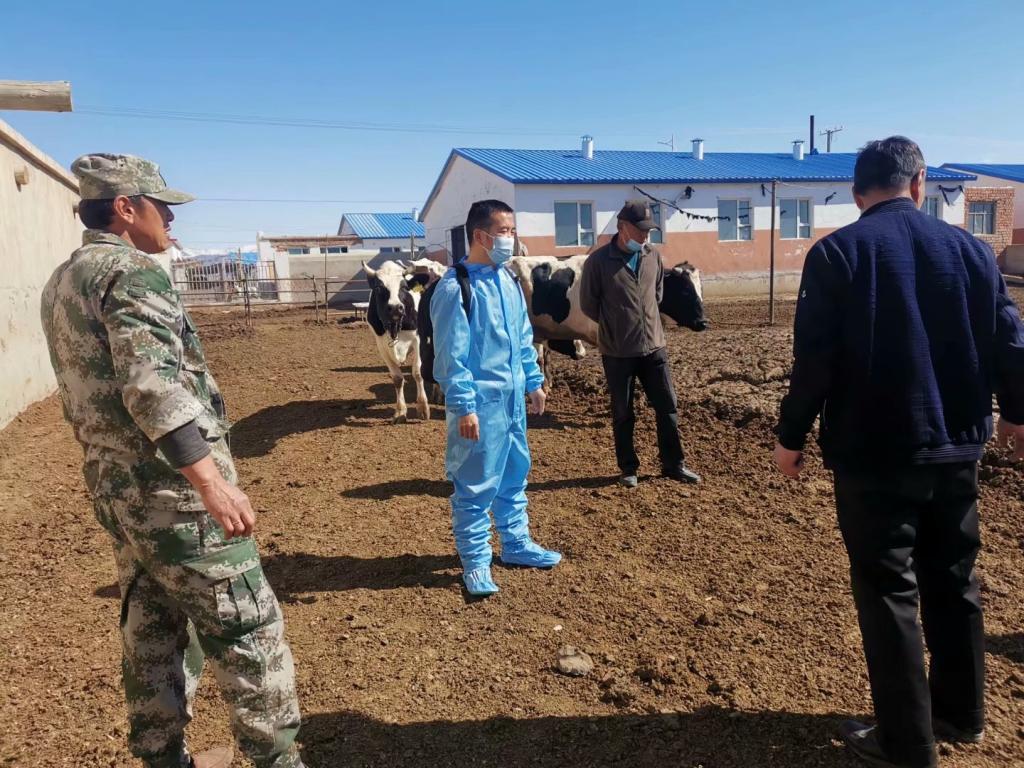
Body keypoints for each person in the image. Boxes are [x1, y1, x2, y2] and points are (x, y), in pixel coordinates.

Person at [41, 154, 308, 768]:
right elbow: (152, 388)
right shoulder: (131, 273)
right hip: (174, 496)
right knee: (248, 628)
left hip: (116, 491)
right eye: (161, 207)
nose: (170, 219)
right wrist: (210, 481)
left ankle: (161, 757)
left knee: (151, 631)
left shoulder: (64, 278)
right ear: (125, 208)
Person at [773, 136, 1024, 768]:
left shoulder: (838, 253)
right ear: (918, 184)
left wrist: (792, 436)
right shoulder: (972, 250)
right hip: (956, 447)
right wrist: (1018, 411)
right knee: (956, 577)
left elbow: (815, 360)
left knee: (889, 589)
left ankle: (907, 743)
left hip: (874, 451)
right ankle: (962, 715)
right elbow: (1009, 337)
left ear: (858, 195)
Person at [430, 199, 561, 596]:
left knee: (514, 474)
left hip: (512, 401)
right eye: (504, 231)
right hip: (479, 405)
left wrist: (533, 382)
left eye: (512, 231)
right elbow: (451, 356)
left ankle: (516, 544)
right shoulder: (455, 288)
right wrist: (463, 406)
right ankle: (476, 563)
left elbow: (522, 338)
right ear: (480, 236)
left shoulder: (508, 281)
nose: (511, 238)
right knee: (474, 484)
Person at [579, 199, 700, 488]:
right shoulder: (598, 262)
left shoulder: (652, 256)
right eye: (640, 230)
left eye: (648, 230)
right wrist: (617, 325)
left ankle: (674, 464)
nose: (645, 235)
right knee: (623, 412)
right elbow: (588, 305)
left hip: (654, 347)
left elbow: (657, 295)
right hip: (618, 352)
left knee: (667, 407)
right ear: (622, 227)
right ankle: (628, 468)